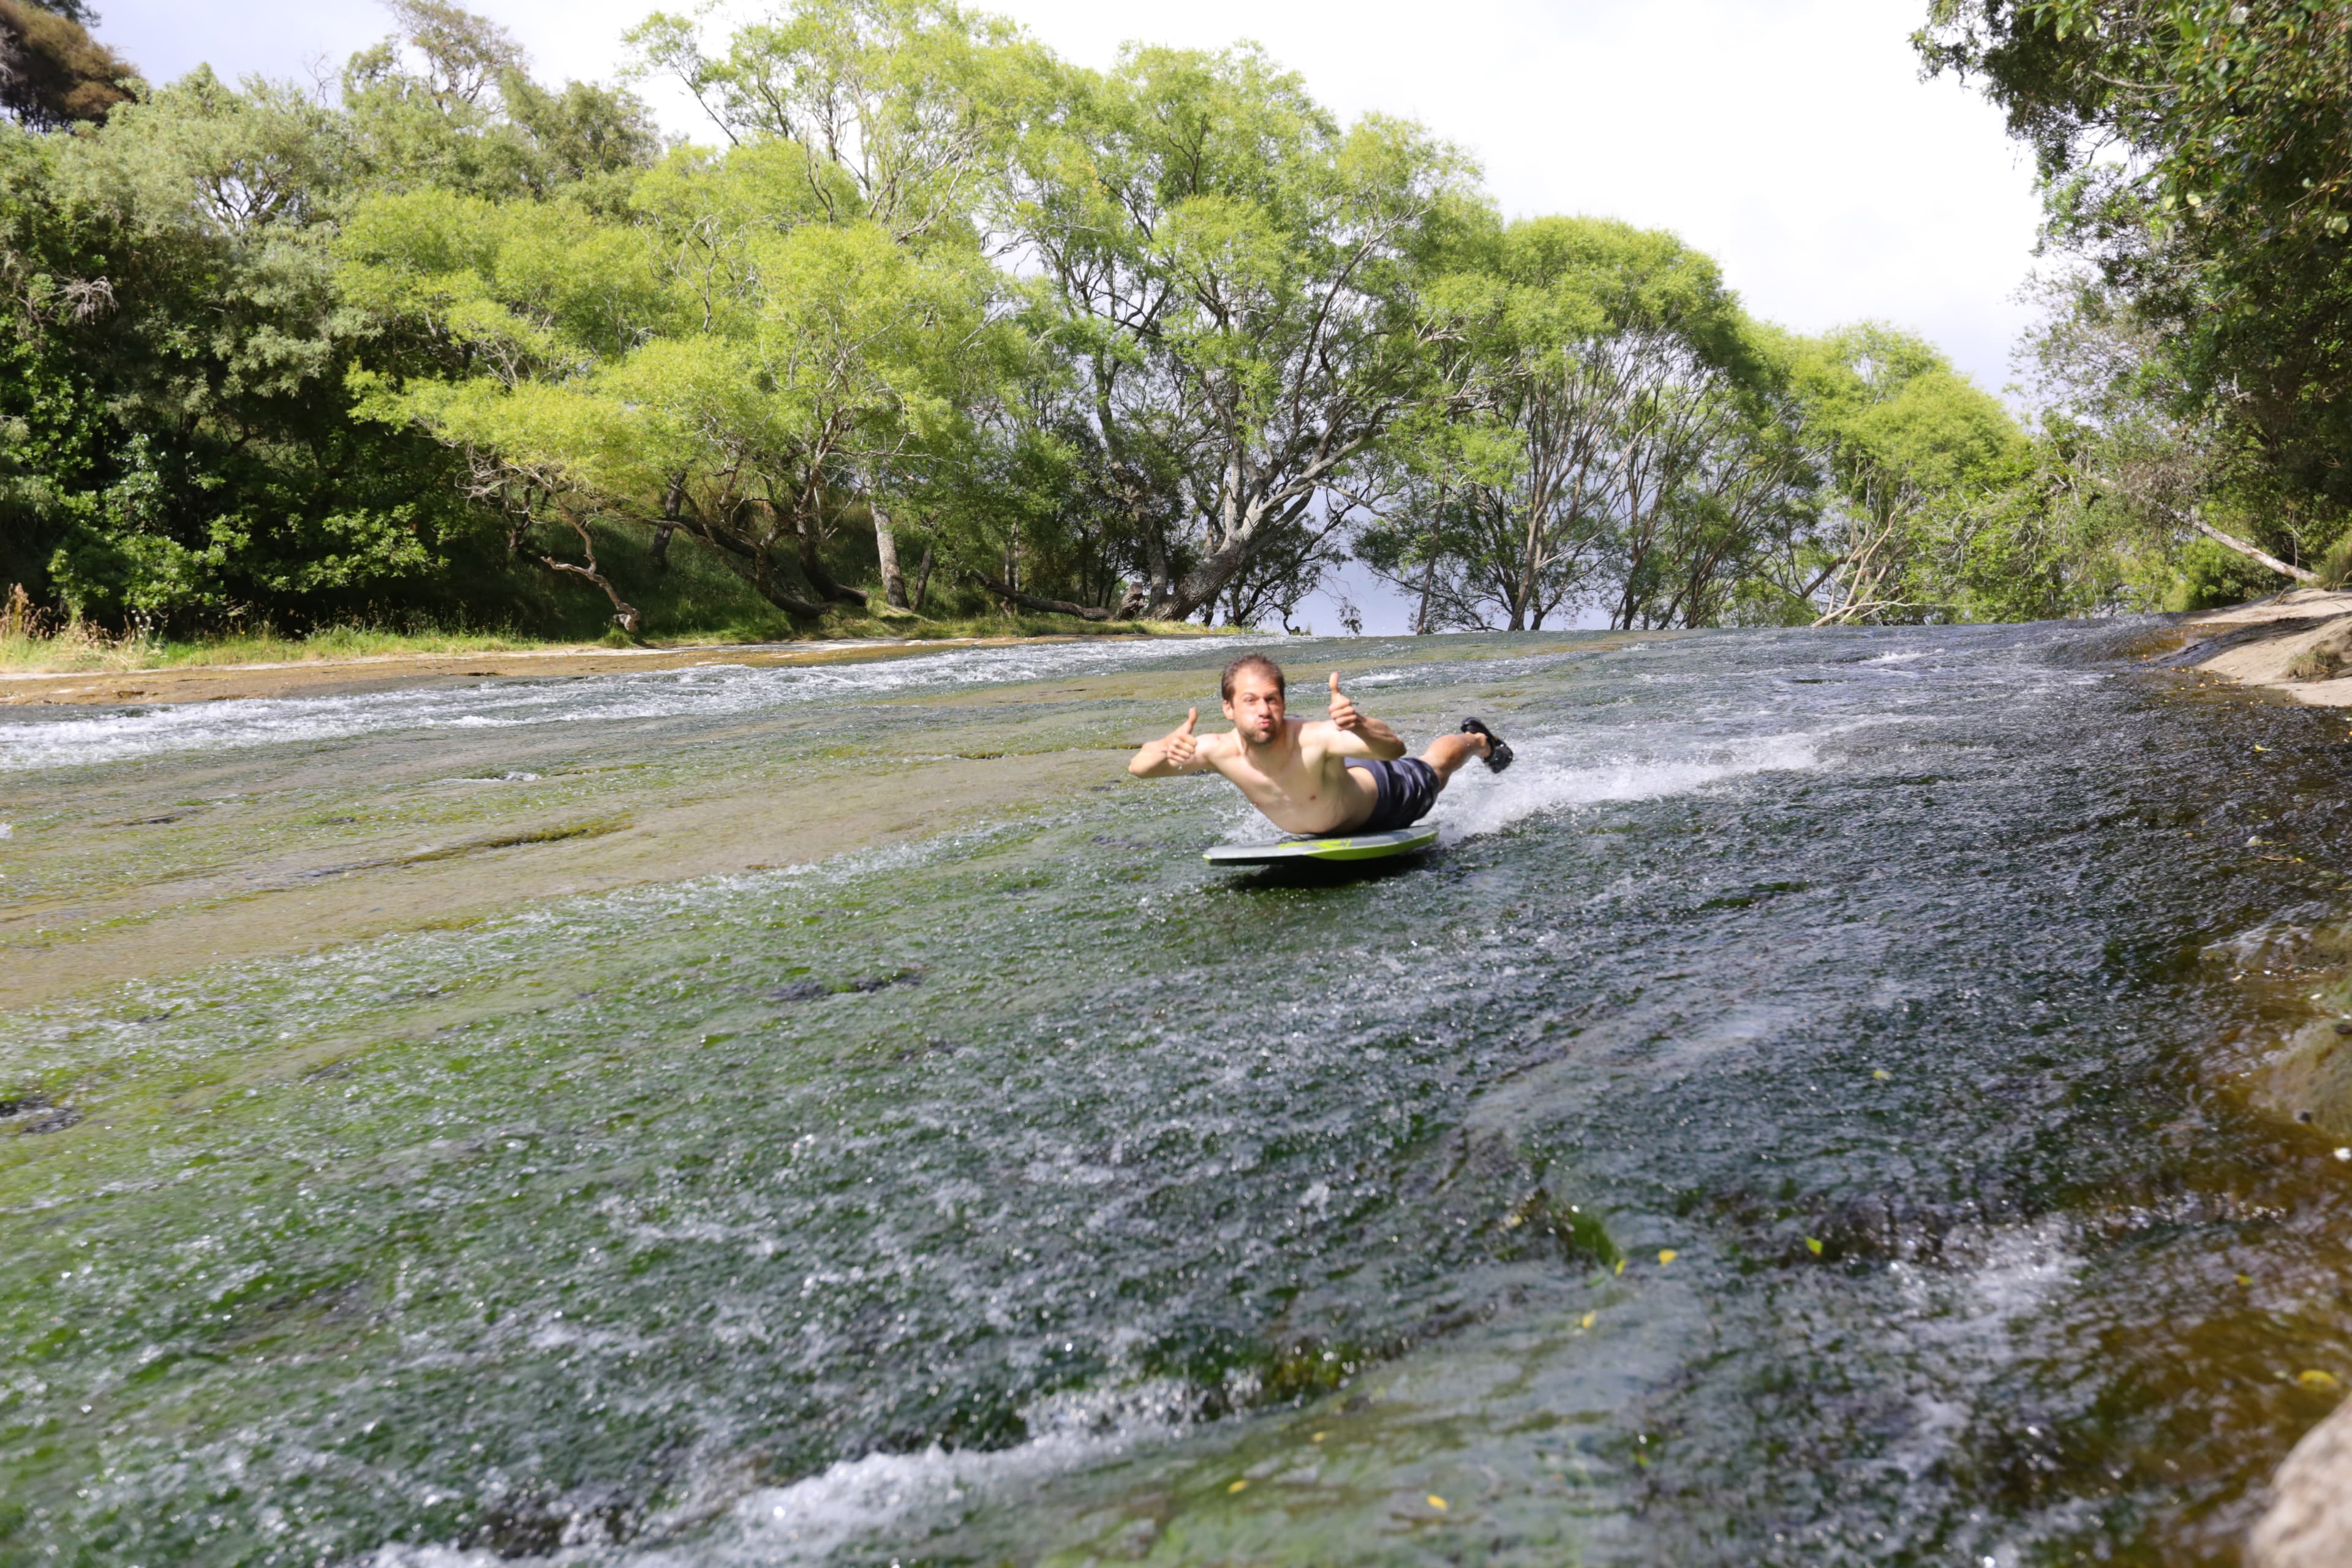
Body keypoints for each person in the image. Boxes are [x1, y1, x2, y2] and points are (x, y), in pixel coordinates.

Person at [1128, 653, 1512, 836]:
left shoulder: (1312, 738)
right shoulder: (1215, 749)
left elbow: (1394, 748)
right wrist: (1166, 746)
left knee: (1434, 767)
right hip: (1341, 792)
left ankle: (1478, 740)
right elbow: (1139, 768)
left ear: (1283, 703)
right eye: (1250, 700)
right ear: (1228, 708)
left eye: (1272, 699)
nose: (1264, 710)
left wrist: (1359, 724)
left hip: (1384, 799)